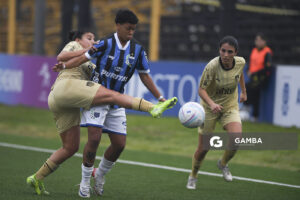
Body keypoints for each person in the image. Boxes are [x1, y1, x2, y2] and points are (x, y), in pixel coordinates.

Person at [26, 29, 178, 196]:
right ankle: (151, 107)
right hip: (66, 87)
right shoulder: (74, 45)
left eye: (94, 38)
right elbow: (61, 57)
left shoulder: (95, 58)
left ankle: (37, 177)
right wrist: (89, 49)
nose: (93, 41)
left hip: (63, 101)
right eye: (88, 38)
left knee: (70, 147)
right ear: (78, 39)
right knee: (112, 96)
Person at [74, 9, 168, 198]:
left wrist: (159, 97)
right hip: (97, 97)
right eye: (128, 28)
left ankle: (99, 176)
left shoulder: (138, 50)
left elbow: (144, 75)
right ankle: (84, 182)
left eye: (134, 29)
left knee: (119, 144)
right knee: (94, 139)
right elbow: (83, 59)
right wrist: (65, 66)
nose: (131, 32)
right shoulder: (104, 43)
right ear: (118, 26)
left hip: (117, 101)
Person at [186, 36, 247, 190]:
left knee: (236, 140)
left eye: (230, 52)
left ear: (236, 53)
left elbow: (239, 74)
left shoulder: (241, 62)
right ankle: (193, 175)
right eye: (223, 51)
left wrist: (243, 91)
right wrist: (212, 104)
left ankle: (223, 164)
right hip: (209, 108)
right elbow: (201, 90)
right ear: (219, 50)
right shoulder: (211, 66)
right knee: (203, 148)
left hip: (229, 106)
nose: (226, 55)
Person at [244, 33, 272, 121]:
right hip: (253, 77)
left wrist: (255, 73)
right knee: (248, 88)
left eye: (260, 40)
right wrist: (248, 70)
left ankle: (251, 114)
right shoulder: (254, 50)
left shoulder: (267, 52)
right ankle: (247, 110)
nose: (258, 42)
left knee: (252, 90)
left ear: (264, 41)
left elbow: (268, 68)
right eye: (257, 40)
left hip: (261, 78)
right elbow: (251, 63)